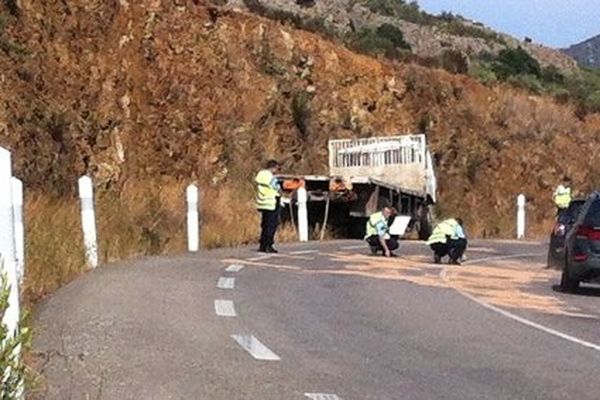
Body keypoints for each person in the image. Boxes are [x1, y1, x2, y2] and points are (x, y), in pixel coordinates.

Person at [255, 160, 282, 253]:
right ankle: (269, 245)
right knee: (271, 225)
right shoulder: (271, 177)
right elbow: (276, 187)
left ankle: (262, 244)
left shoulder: (260, 176)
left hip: (262, 203)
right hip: (271, 202)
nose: (277, 171)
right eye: (277, 168)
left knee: (264, 224)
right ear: (273, 167)